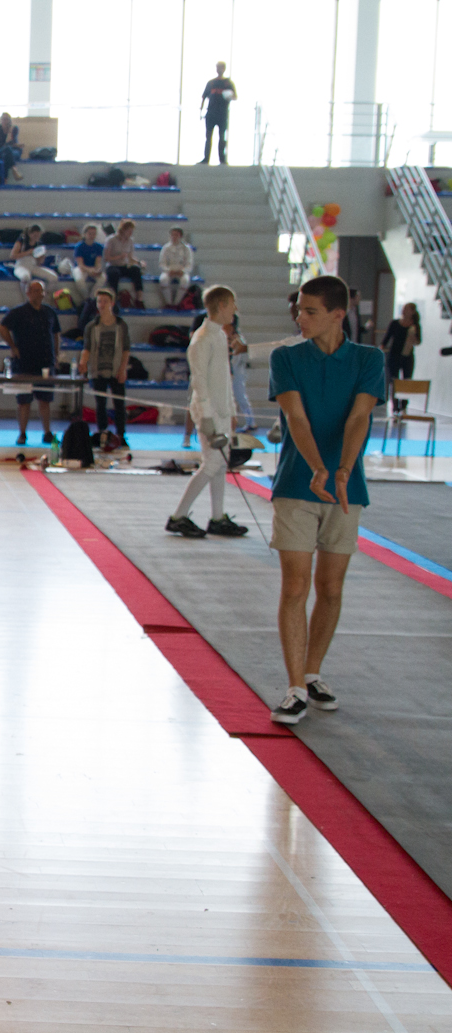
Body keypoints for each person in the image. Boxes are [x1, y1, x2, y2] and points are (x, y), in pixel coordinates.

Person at [265, 275, 387, 723]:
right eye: (299, 309)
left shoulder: (369, 359)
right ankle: (295, 686)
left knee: (331, 588)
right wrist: (318, 467)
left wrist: (342, 470)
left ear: (338, 314)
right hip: (296, 485)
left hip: (346, 491)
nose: (300, 317)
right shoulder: (286, 357)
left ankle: (314, 672)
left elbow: (359, 417)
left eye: (310, 311)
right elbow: (295, 417)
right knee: (295, 586)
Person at [167, 285, 248, 540]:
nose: (235, 309)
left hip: (221, 411)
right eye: (232, 304)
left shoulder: (220, 336)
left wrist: (231, 410)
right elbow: (199, 382)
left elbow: (224, 379)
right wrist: (207, 417)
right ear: (221, 306)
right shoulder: (201, 339)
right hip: (208, 413)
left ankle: (217, 517)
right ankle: (178, 516)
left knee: (220, 464)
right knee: (212, 464)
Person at [0, 279, 61, 445]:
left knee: (45, 400)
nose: (39, 294)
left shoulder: (49, 312)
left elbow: (56, 334)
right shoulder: (18, 312)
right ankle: (22, 433)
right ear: (28, 293)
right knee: (24, 401)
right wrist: (13, 346)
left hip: (45, 362)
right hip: (24, 362)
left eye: (41, 291)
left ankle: (47, 432)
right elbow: (1, 327)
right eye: (35, 291)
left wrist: (56, 355)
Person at [79, 289, 132, 449]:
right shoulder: (91, 326)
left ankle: (121, 435)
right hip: (98, 369)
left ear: (112, 303)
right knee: (100, 404)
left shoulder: (121, 325)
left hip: (116, 369)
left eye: (105, 301)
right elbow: (87, 347)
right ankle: (102, 434)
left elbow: (126, 349)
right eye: (99, 301)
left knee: (119, 404)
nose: (101, 304)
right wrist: (83, 363)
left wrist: (123, 369)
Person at [381, 302, 420, 413]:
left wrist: (413, 335)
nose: (404, 311)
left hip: (407, 356)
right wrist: (381, 348)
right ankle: (395, 405)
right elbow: (387, 338)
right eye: (403, 309)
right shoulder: (395, 323)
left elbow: (418, 341)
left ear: (412, 312)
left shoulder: (415, 326)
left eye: (406, 309)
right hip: (394, 356)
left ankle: (404, 405)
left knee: (406, 380)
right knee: (394, 381)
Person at [200, 62, 236, 165]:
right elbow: (204, 97)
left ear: (224, 69)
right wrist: (201, 111)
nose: (219, 69)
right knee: (208, 137)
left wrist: (228, 96)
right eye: (217, 67)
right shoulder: (211, 83)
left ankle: (222, 159)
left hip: (222, 114)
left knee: (222, 137)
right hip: (211, 113)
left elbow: (235, 96)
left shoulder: (228, 83)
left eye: (221, 67)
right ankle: (206, 159)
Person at [103, 219, 145, 307]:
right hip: (113, 265)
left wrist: (139, 263)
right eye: (129, 231)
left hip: (124, 265)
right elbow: (106, 258)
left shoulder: (130, 241)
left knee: (136, 270)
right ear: (123, 230)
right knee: (114, 273)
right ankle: (114, 299)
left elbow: (130, 257)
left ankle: (139, 299)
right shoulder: (111, 240)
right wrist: (119, 256)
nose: (131, 233)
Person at [9, 224, 57, 296]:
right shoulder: (22, 241)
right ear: (29, 234)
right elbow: (12, 256)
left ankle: (45, 296)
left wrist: (41, 257)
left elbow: (40, 262)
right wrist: (28, 252)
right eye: (35, 235)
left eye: (38, 235)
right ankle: (27, 298)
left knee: (53, 277)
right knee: (25, 277)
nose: (36, 237)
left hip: (33, 266)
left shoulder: (39, 244)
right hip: (21, 266)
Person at [157, 227, 194, 308]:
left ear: (180, 236)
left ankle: (177, 303)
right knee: (163, 279)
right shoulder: (166, 248)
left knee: (185, 281)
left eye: (176, 235)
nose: (174, 237)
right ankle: (169, 303)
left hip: (181, 271)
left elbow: (189, 264)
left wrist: (183, 271)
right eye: (172, 235)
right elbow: (161, 263)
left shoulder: (186, 248)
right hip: (169, 271)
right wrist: (168, 270)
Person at [69, 223, 106, 304]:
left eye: (94, 234)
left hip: (92, 267)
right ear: (85, 234)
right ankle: (86, 298)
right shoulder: (79, 246)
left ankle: (92, 298)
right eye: (90, 233)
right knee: (79, 279)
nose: (92, 236)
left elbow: (98, 262)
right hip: (81, 268)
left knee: (103, 278)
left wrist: (97, 270)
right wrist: (89, 270)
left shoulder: (98, 247)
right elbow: (80, 264)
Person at [0, 112, 24, 181]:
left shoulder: (14, 128)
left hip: (13, 151)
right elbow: (0, 142)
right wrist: (11, 144)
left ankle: (5, 180)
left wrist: (10, 132)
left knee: (6, 155)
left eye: (6, 119)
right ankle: (14, 170)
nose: (5, 121)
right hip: (2, 150)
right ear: (0, 120)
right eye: (3, 119)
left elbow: (13, 141)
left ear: (9, 120)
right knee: (6, 151)